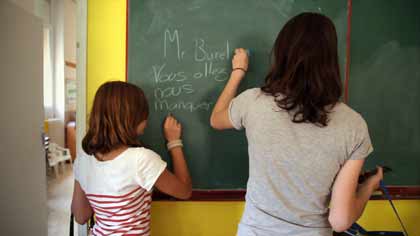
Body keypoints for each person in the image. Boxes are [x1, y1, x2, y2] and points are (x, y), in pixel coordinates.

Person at [210, 13, 383, 236]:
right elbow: (340, 221)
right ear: (331, 59)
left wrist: (238, 72)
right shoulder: (354, 125)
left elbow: (216, 119)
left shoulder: (253, 102)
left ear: (282, 53)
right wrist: (368, 186)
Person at [71, 81, 192, 235]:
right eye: (142, 114)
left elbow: (81, 216)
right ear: (130, 118)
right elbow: (184, 191)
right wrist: (174, 142)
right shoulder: (140, 159)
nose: (147, 120)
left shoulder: (83, 159)